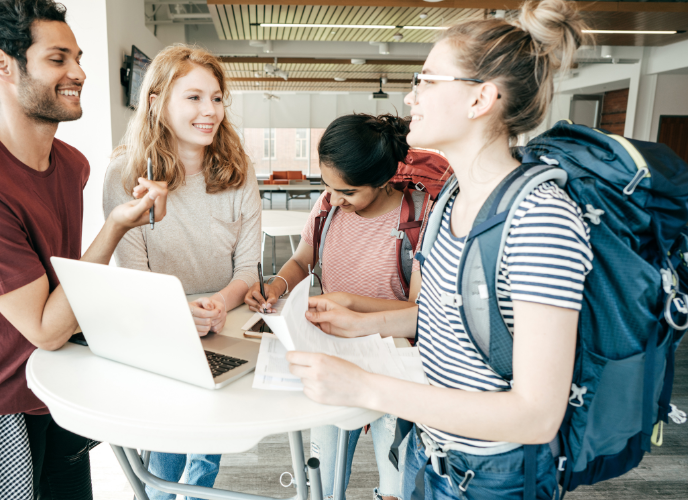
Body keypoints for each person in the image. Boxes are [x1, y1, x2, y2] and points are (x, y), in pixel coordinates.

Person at [287, 1, 593, 498]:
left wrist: (364, 387)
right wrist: (360, 318)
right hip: (431, 454)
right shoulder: (449, 197)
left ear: (480, 100)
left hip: (494, 475)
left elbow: (536, 415)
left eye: (427, 80)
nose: (411, 98)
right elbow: (442, 316)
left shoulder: (538, 219)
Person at [0, 1, 167, 499]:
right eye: (58, 59)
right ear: (1, 65)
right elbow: (46, 326)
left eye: (77, 58)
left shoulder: (71, 165)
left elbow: (59, 291)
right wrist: (114, 227)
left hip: (51, 389)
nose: (80, 72)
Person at [102, 44, 260, 500]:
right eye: (193, 97)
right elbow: (134, 273)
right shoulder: (124, 172)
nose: (209, 111)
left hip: (221, 321)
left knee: (207, 448)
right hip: (159, 324)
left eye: (216, 97)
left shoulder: (237, 170)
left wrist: (218, 304)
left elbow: (247, 268)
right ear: (156, 101)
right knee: (165, 451)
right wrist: (180, 311)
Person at [245, 113, 422, 500]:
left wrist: (353, 312)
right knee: (321, 483)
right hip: (331, 356)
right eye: (328, 185)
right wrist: (276, 285)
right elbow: (301, 260)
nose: (335, 198)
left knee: (397, 490)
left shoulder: (417, 219)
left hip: (394, 366)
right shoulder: (327, 206)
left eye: (348, 191)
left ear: (384, 178)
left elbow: (418, 312)